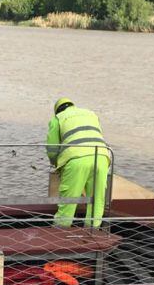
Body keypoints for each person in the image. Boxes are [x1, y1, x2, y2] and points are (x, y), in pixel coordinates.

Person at [46, 98, 111, 228]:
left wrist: (55, 164)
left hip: (76, 160)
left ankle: (60, 233)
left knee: (68, 201)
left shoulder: (58, 118)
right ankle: (93, 232)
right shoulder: (91, 114)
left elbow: (52, 148)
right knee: (97, 200)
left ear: (57, 110)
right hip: (102, 157)